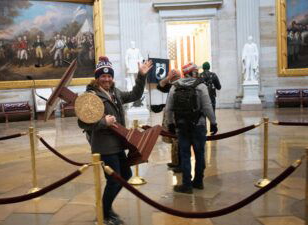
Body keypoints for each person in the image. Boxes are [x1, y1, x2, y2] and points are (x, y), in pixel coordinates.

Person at [78, 56, 152, 225]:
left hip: (118, 143)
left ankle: (106, 209)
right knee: (114, 179)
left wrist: (141, 76)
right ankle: (105, 213)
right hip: (104, 146)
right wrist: (104, 122)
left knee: (125, 174)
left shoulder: (115, 92)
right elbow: (82, 122)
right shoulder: (90, 96)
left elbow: (135, 94)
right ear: (97, 78)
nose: (107, 79)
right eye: (103, 76)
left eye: (109, 76)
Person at [165, 62, 218, 194]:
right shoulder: (201, 86)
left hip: (182, 126)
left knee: (185, 155)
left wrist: (170, 124)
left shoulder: (175, 86)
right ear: (194, 72)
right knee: (200, 154)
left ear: (184, 73)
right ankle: (198, 182)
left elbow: (168, 108)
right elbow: (207, 107)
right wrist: (213, 122)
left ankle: (187, 184)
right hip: (198, 125)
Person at [157, 69, 181, 172]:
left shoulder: (181, 85)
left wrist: (169, 78)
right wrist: (168, 78)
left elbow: (161, 85)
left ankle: (180, 164)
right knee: (174, 140)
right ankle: (175, 162)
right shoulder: (172, 85)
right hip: (171, 117)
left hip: (178, 117)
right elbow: (160, 85)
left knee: (177, 141)